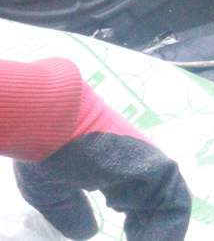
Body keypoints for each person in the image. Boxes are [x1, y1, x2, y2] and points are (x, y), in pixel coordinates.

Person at [1, 57, 191, 240]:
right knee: (164, 200)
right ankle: (81, 228)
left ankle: (80, 229)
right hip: (77, 125)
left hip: (26, 142)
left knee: (44, 189)